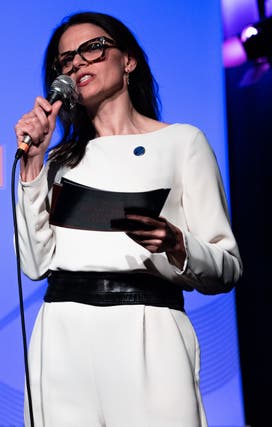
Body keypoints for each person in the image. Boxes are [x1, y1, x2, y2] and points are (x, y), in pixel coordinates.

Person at [14, 11, 242, 427]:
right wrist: (32, 167)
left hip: (147, 329)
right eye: (66, 60)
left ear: (129, 61)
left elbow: (227, 268)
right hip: (62, 334)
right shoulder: (61, 163)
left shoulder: (181, 142)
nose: (78, 63)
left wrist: (178, 243)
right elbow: (34, 264)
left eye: (92, 49)